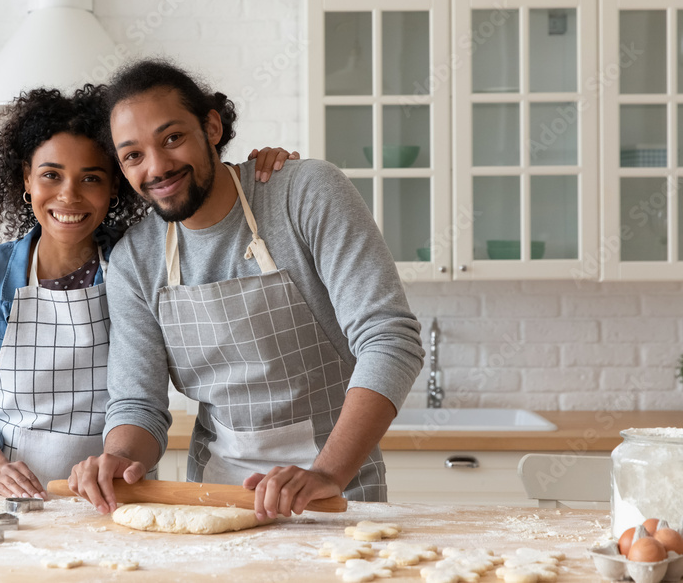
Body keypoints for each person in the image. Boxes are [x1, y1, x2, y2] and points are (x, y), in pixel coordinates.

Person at [68, 60, 425, 520]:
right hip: (214, 503)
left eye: (172, 137)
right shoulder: (135, 260)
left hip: (336, 495)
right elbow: (139, 402)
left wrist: (327, 474)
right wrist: (120, 455)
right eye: (133, 154)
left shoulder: (305, 194)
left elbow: (389, 339)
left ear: (211, 126)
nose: (157, 167)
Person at [0, 84, 297, 499]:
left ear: (115, 187)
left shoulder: (141, 263)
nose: (68, 195)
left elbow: (195, 186)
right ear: (26, 178)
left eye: (91, 178)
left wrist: (259, 174)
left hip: (115, 493)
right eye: (51, 175)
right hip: (5, 495)